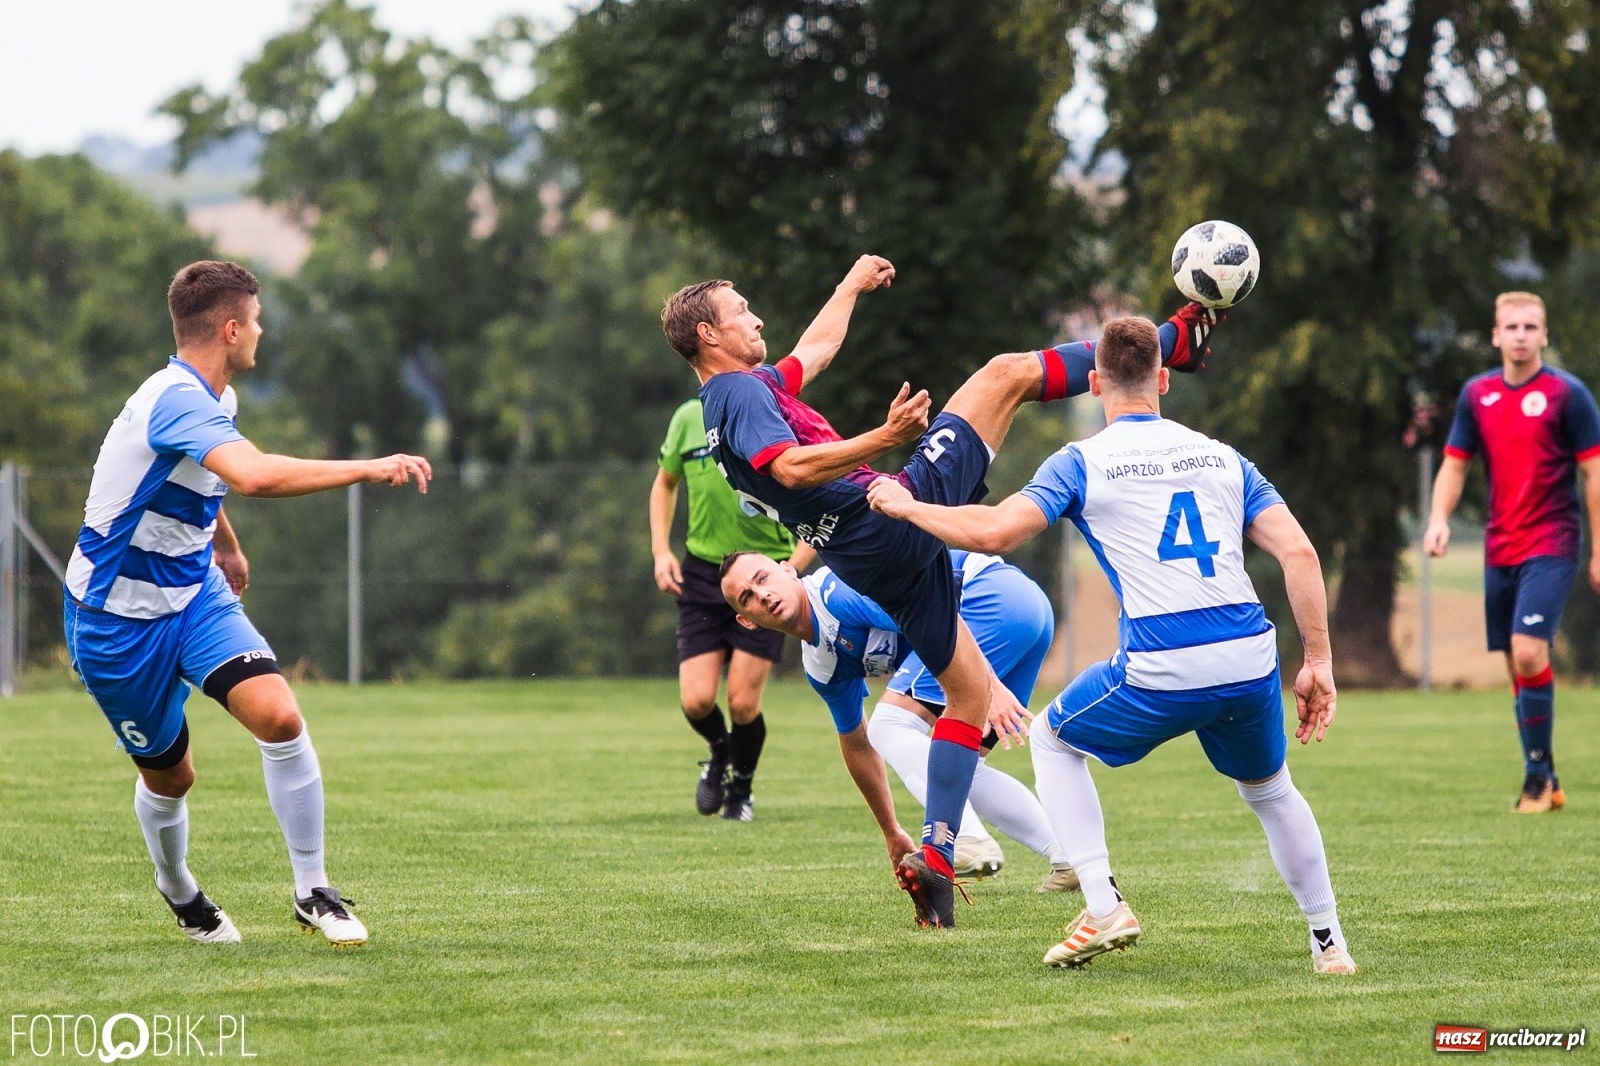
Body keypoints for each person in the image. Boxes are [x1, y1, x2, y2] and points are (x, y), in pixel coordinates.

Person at [663, 255, 1217, 926]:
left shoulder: (731, 398)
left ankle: (938, 860)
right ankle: (1172, 342)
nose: (755, 316)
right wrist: (887, 437)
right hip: (889, 518)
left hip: (868, 560)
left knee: (962, 694)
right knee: (1005, 374)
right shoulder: (740, 396)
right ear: (708, 336)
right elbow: (790, 465)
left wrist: (847, 287)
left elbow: (814, 350)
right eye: (740, 310)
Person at [866, 316, 1356, 974]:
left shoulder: (1080, 461)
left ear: (1093, 383)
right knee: (1271, 793)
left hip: (1164, 659)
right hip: (1249, 653)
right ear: (1163, 380)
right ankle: (1330, 945)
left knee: (1050, 740)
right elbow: (1297, 550)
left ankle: (1101, 905)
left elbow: (996, 532)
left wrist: (907, 507)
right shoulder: (1223, 457)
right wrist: (1318, 663)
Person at [63, 260, 432, 946]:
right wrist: (370, 466)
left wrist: (225, 546)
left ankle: (313, 891)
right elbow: (255, 475)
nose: (261, 332)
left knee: (280, 717)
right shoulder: (174, 400)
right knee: (173, 777)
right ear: (231, 330)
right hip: (115, 622)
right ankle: (177, 887)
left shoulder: (215, 398)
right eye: (256, 322)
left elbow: (204, 475)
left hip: (195, 590)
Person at [719, 548, 1078, 891]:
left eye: (763, 577)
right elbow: (857, 743)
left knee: (890, 723)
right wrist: (891, 830)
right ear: (746, 621)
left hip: (987, 598)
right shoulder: (821, 666)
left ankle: (966, 837)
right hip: (1026, 611)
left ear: (787, 569)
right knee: (959, 766)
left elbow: (931, 615)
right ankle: (1067, 857)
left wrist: (989, 684)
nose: (762, 594)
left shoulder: (837, 589)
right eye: (747, 597)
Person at [1424, 292, 1600, 813]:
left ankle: (1536, 781)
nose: (1521, 335)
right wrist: (1437, 520)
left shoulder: (1569, 395)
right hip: (1500, 546)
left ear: (1544, 335)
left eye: (1531, 326)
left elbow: (1595, 474)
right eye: (1511, 327)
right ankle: (1547, 773)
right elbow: (1455, 465)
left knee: (1528, 651)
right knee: (1516, 668)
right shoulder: (1477, 395)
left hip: (1553, 541)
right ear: (1496, 336)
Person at [650, 397, 816, 820]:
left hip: (761, 581)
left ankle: (740, 790)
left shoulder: (773, 415)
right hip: (703, 575)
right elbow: (665, 483)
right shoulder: (687, 416)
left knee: (742, 704)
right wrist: (660, 551)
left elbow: (818, 497)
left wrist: (790, 570)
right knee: (697, 701)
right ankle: (720, 753)